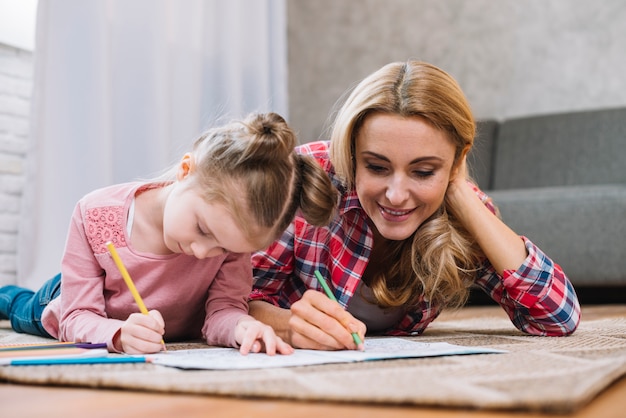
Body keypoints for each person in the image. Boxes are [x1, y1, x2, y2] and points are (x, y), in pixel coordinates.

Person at [248, 61, 581, 351]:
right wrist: (290, 325)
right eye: (376, 167)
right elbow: (231, 301)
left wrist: (458, 192)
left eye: (423, 172)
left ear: (455, 161)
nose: (396, 195)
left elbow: (558, 317)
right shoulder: (307, 176)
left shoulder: (462, 207)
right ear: (351, 153)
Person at [0, 112, 337, 355]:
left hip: (152, 325)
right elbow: (76, 317)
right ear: (186, 170)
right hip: (69, 300)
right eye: (202, 229)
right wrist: (117, 334)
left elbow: (223, 311)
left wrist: (241, 327)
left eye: (222, 249)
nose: (204, 252)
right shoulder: (95, 213)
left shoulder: (231, 239)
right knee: (22, 307)